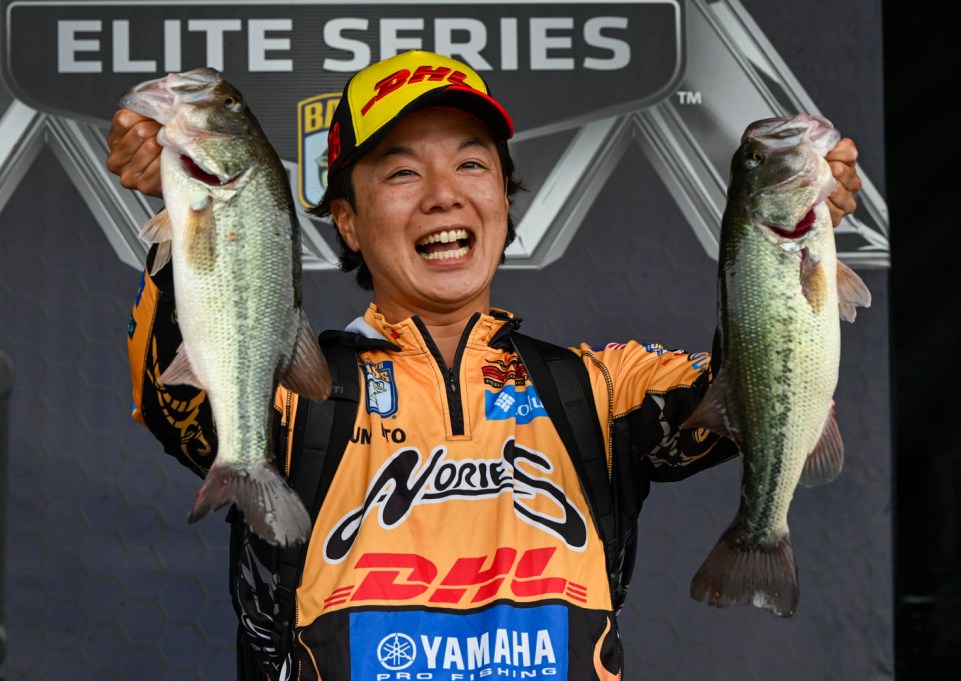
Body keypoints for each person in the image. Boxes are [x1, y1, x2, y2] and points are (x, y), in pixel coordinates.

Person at [107, 50, 862, 681]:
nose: (444, 195)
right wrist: (187, 219)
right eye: (401, 173)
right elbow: (175, 403)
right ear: (348, 220)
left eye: (472, 163)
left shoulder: (601, 388)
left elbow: (753, 394)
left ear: (504, 197)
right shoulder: (287, 391)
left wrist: (786, 242)